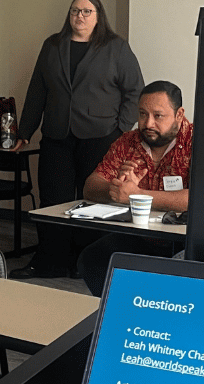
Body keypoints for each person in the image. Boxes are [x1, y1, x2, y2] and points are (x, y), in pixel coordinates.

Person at [10, 0, 143, 279]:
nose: (79, 16)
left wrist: (120, 130)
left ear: (98, 16)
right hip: (57, 135)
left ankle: (86, 264)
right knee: (53, 201)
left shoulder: (115, 47)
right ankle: (49, 262)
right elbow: (37, 91)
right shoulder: (52, 45)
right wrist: (25, 131)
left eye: (86, 11)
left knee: (94, 201)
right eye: (75, 11)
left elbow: (134, 91)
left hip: (100, 137)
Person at [76, 80, 193, 296]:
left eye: (158, 116)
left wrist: (137, 195)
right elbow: (91, 186)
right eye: (142, 114)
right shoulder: (128, 142)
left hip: (182, 241)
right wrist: (117, 187)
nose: (148, 123)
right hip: (140, 236)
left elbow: (198, 199)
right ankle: (122, 316)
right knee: (93, 259)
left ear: (179, 115)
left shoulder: (198, 142)